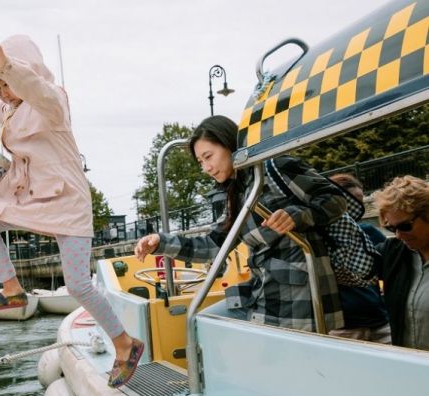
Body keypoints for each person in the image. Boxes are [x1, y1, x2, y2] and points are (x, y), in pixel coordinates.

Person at [0, 35, 143, 388]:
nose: (3, 90)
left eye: (7, 82)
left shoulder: (51, 101)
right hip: (31, 202)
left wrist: (7, 67)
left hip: (67, 203)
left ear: (23, 73)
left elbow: (33, 87)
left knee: (78, 285)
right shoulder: (10, 111)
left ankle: (125, 343)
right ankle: (12, 289)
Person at [134, 115, 346, 332]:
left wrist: (296, 215)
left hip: (298, 300)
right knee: (201, 325)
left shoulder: (275, 168)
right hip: (265, 293)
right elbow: (213, 246)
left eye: (209, 156)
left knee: (211, 331)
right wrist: (160, 242)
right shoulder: (236, 193)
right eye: (201, 162)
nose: (206, 167)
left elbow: (336, 199)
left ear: (229, 145)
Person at [326, 173, 390, 343]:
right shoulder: (320, 236)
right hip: (343, 329)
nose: (359, 207)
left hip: (379, 320)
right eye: (354, 201)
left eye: (361, 201)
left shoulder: (368, 231)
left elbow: (388, 270)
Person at [373, 176, 429, 350]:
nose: (398, 235)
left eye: (405, 226)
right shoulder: (393, 252)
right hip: (408, 366)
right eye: (391, 228)